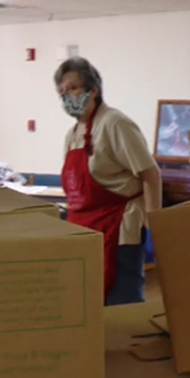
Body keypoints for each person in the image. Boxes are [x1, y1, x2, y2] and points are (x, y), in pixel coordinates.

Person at [56, 57, 162, 306]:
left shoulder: (115, 124)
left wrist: (155, 226)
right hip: (83, 233)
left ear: (93, 90)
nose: (66, 97)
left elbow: (150, 174)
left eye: (72, 88)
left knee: (120, 306)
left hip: (119, 231)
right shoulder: (72, 135)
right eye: (61, 92)